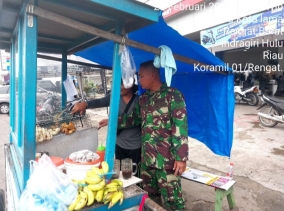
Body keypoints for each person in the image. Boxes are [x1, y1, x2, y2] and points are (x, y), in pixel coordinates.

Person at [118, 60, 188, 211]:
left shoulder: (173, 96)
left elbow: (180, 127)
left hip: (167, 162)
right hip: (147, 160)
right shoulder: (143, 99)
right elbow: (133, 119)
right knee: (150, 199)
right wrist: (113, 122)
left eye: (141, 76)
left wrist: (181, 158)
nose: (139, 80)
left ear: (153, 75)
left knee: (173, 202)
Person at [71, 79, 141, 176]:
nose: (119, 87)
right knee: (122, 174)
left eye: (122, 84)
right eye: (117, 84)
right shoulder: (115, 98)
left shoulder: (139, 100)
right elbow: (101, 101)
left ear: (130, 84)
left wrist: (111, 121)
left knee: (134, 175)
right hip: (120, 144)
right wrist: (85, 104)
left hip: (135, 146)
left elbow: (135, 119)